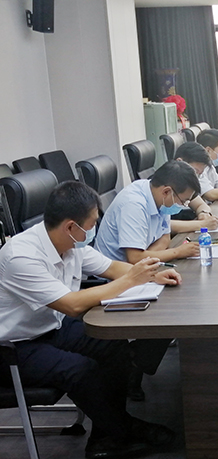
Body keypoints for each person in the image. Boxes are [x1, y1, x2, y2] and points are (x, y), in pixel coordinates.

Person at [0, 181, 182, 458]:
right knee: (80, 370)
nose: (94, 227)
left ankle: (106, 436)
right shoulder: (21, 256)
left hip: (50, 326)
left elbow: (111, 267)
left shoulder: (71, 243)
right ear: (71, 226)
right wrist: (131, 280)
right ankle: (123, 430)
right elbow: (72, 305)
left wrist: (152, 275)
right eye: (93, 222)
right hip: (13, 347)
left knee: (113, 346)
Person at [95, 160, 203, 263]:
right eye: (183, 201)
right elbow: (134, 258)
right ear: (166, 191)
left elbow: (165, 238)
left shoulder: (160, 198)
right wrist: (177, 252)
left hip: (139, 265)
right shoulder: (134, 205)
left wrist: (147, 256)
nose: (182, 205)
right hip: (116, 272)